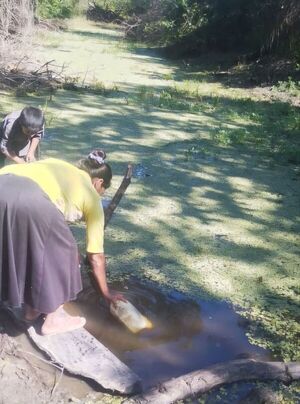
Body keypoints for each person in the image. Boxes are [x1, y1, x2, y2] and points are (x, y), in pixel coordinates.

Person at [0, 150, 124, 335]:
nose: (101, 194)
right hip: (29, 197)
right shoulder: (92, 196)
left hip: (4, 180)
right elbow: (96, 256)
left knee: (14, 243)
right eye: (103, 191)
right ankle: (53, 318)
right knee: (68, 252)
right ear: (98, 183)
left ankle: (30, 309)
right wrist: (106, 293)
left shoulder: (59, 165)